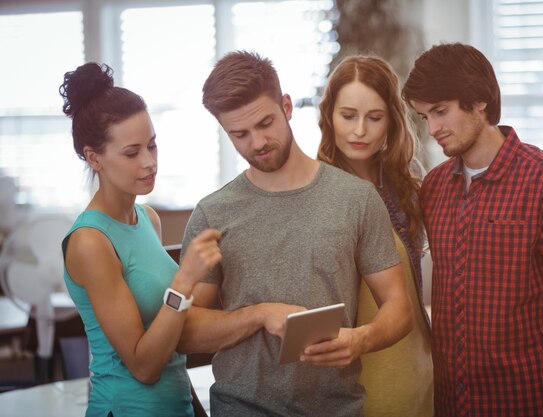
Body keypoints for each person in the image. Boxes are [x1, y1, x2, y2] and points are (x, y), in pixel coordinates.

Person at [177, 50, 413, 417]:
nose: (257, 142)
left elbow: (399, 308)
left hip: (337, 410)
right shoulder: (213, 213)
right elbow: (184, 332)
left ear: (286, 106)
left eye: (265, 123)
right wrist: (259, 315)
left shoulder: (356, 199)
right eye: (239, 134)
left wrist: (359, 340)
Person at [401, 42, 543, 417]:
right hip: (451, 406)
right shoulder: (435, 188)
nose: (433, 129)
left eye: (441, 112)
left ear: (479, 101)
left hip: (531, 404)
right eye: (424, 117)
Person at [59, 62, 222, 417]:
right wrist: (184, 279)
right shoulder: (90, 241)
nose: (149, 162)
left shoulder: (148, 219)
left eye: (152, 145)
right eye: (132, 153)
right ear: (93, 157)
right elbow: (144, 365)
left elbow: (169, 344)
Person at [317, 55, 433, 416]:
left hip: (422, 367)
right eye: (348, 116)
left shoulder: (408, 179)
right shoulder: (314, 189)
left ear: (392, 121)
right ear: (328, 116)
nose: (360, 131)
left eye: (375, 117)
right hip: (355, 380)